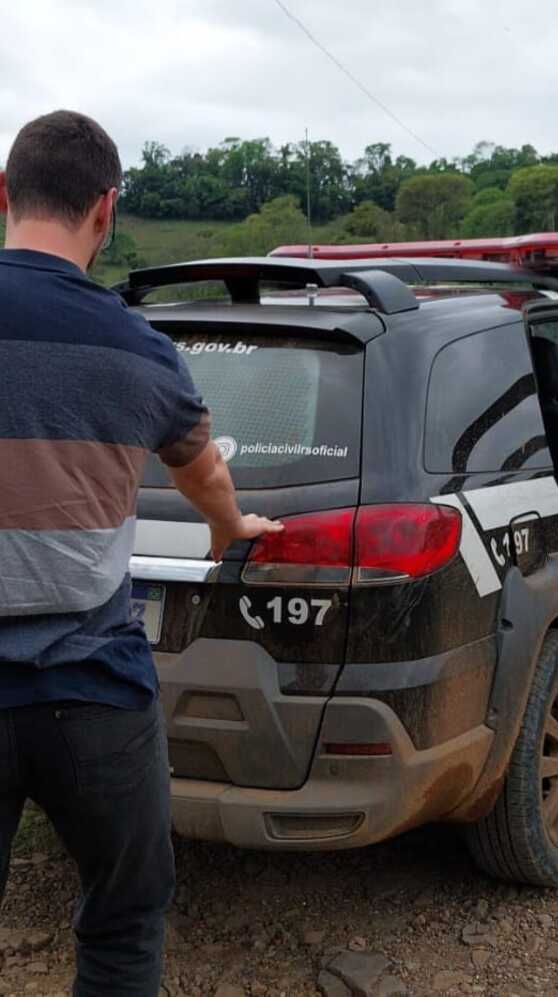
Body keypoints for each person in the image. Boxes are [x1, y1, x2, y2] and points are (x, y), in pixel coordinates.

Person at [0, 110, 282, 996]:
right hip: (91, 690)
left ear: (3, 196)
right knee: (124, 921)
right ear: (107, 210)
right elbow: (205, 477)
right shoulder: (141, 347)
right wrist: (232, 530)